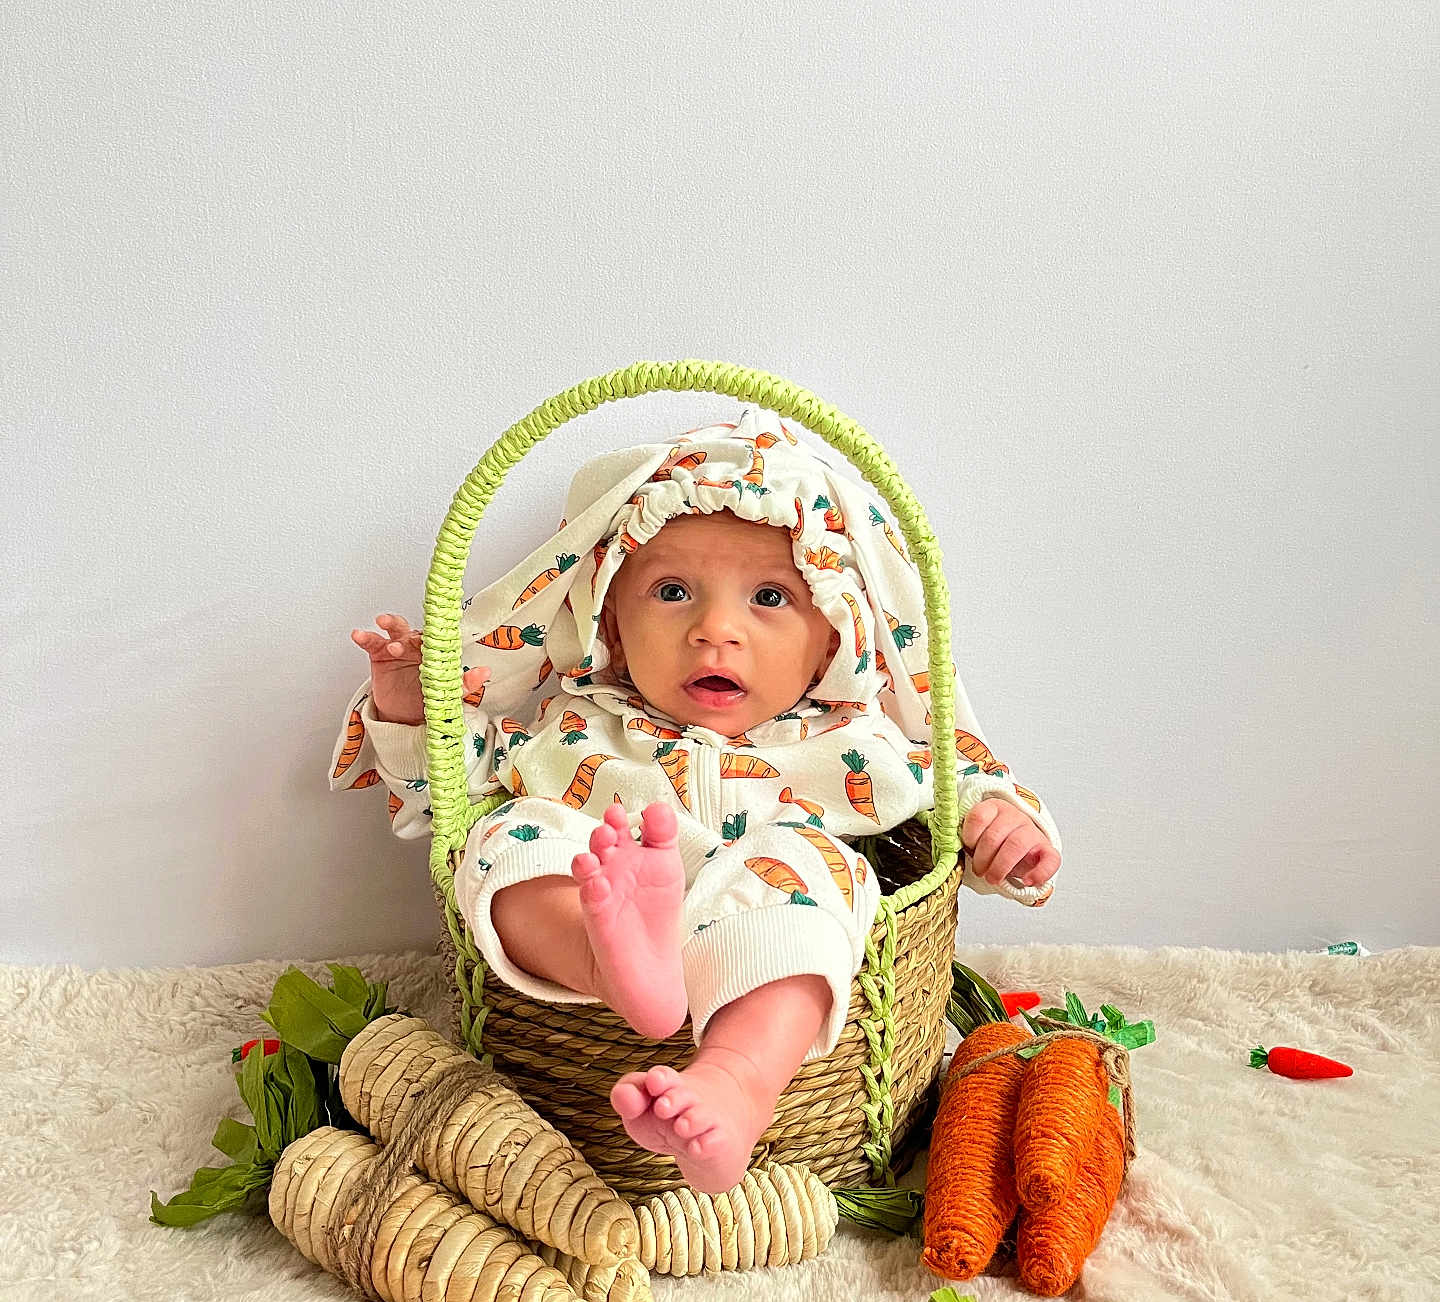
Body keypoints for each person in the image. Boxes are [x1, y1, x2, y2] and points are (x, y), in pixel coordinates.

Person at [331, 406, 1061, 1192]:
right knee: (510, 833)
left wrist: (1002, 828)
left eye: (772, 599)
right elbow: (448, 795)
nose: (716, 630)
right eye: (673, 591)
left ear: (833, 636)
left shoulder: (857, 743)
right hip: (601, 909)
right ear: (608, 615)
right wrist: (412, 708)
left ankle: (737, 1079)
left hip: (753, 911)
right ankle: (604, 959)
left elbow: (964, 779)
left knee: (811, 874)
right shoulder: (573, 725)